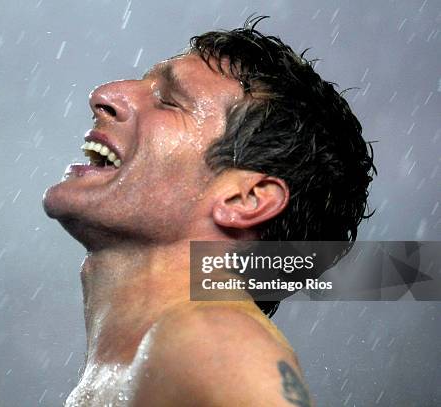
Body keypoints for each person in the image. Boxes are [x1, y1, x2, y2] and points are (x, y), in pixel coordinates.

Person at [43, 16, 375, 406]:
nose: (104, 94)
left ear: (245, 200)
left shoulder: (217, 338)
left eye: (168, 100)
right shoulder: (163, 353)